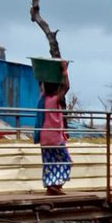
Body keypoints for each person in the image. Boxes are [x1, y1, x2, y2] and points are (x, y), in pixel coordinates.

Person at [34, 62, 72, 194]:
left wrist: (42, 71)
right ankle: (56, 184)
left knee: (49, 162)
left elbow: (40, 84)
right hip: (55, 138)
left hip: (44, 138)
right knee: (65, 161)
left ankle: (51, 186)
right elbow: (66, 87)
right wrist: (64, 71)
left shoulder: (42, 99)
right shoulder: (55, 100)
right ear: (56, 88)